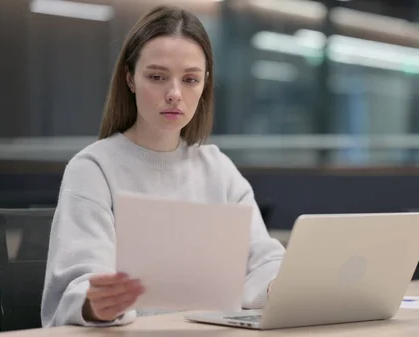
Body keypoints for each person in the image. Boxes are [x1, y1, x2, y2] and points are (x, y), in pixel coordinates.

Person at [40, 5, 285, 328]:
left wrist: (276, 286)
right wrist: (97, 303)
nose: (174, 94)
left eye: (190, 79)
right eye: (157, 77)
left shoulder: (218, 170)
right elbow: (79, 284)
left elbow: (265, 260)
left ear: (205, 84)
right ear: (130, 78)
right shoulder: (94, 169)